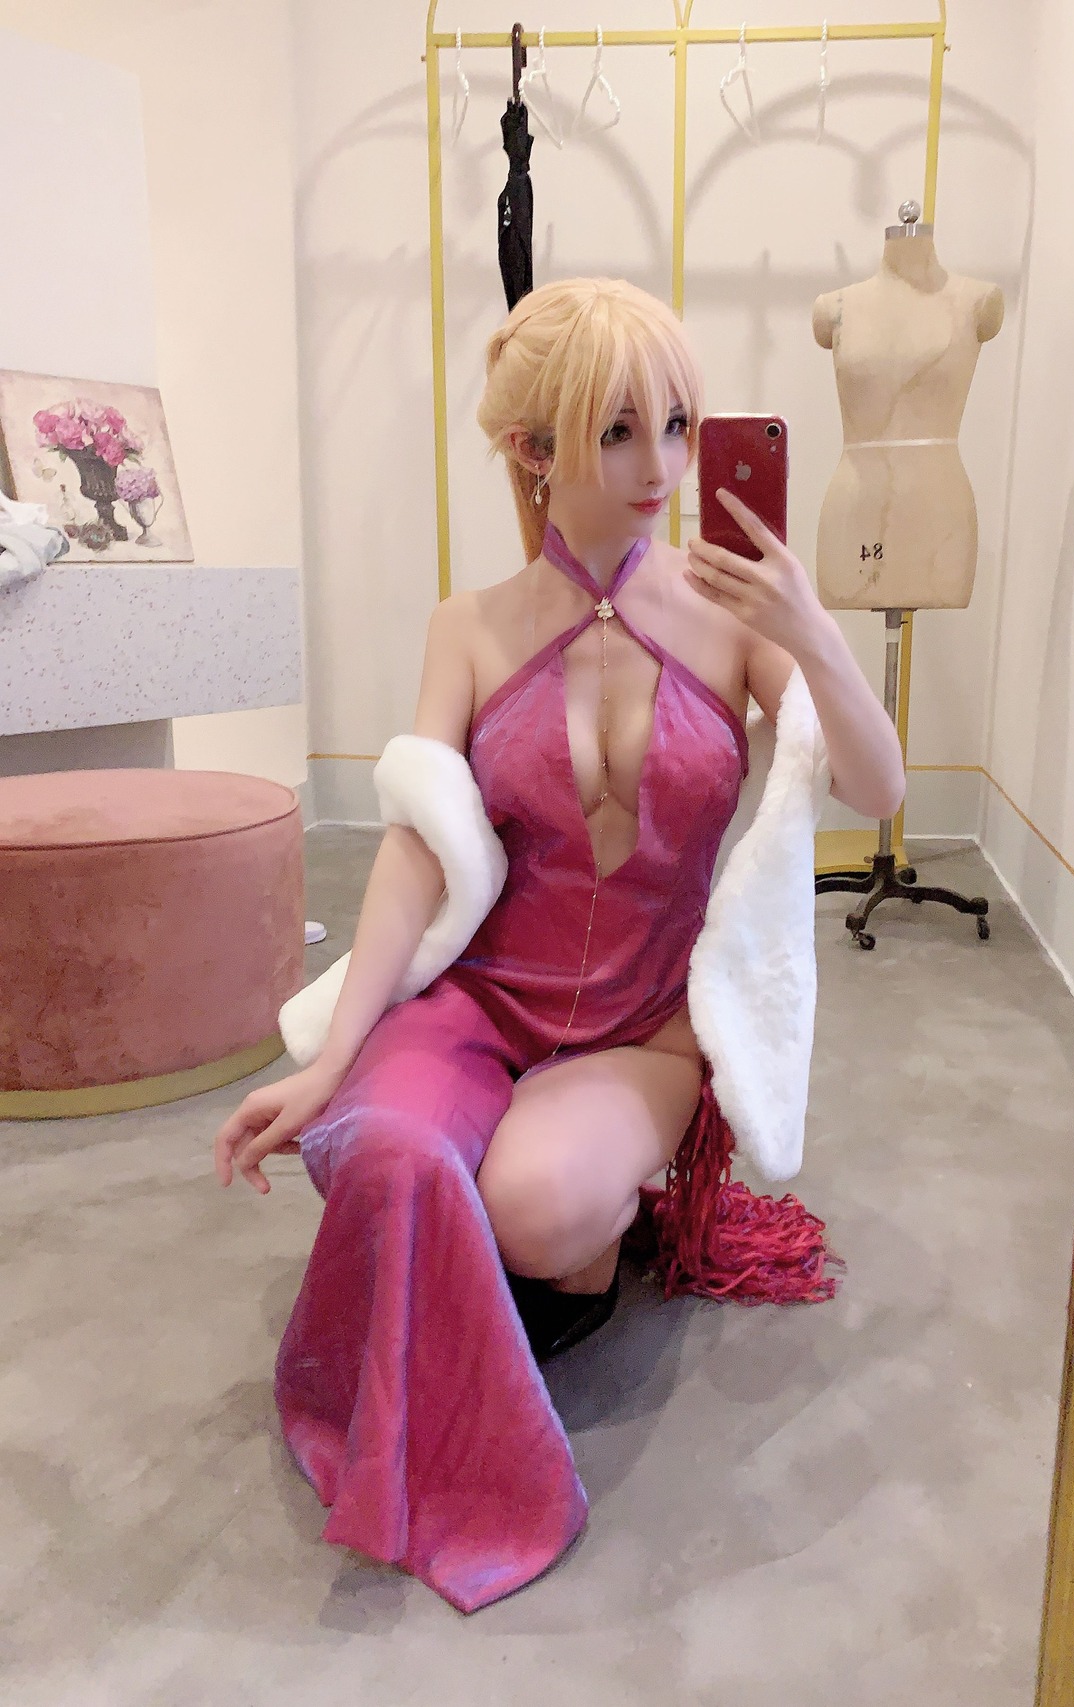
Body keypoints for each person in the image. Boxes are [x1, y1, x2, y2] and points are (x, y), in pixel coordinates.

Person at [212, 277, 905, 1611]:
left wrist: (813, 632)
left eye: (680, 427)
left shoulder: (732, 618)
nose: (663, 470)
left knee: (529, 1209)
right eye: (618, 432)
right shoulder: (468, 627)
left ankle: (572, 1229)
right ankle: (457, 1317)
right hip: (483, 1001)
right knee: (383, 1148)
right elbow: (418, 849)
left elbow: (876, 791)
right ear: (535, 451)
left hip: (643, 1022)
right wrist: (330, 1059)